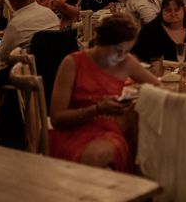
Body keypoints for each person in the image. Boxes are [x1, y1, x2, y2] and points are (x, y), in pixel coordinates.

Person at [49, 13, 160, 172]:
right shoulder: (72, 62)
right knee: (94, 155)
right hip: (71, 129)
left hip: (106, 130)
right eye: (118, 50)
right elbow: (57, 118)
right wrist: (98, 109)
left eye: (127, 50)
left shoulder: (126, 61)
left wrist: (136, 98)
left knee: (106, 148)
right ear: (100, 43)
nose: (122, 56)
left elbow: (158, 87)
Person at [0, 0, 60, 84]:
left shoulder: (16, 24)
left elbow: (3, 56)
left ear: (13, 0)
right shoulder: (50, 13)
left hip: (28, 77)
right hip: (54, 73)